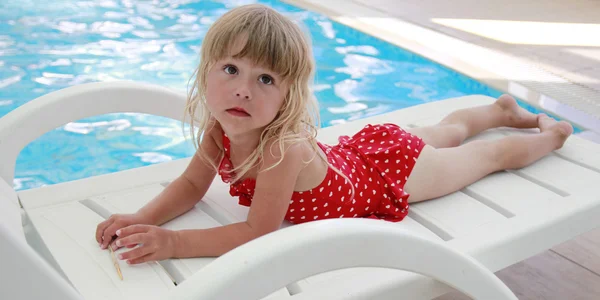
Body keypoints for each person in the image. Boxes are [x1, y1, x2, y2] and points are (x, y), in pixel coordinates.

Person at [95, 3, 573, 265]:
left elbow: (255, 232)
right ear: (205, 73)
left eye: (266, 80)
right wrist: (142, 216)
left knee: (481, 159)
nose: (243, 91)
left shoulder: (281, 149)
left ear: (288, 97)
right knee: (445, 131)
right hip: (365, 151)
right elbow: (190, 186)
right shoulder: (221, 130)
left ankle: (548, 135)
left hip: (395, 175)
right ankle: (497, 109)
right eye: (231, 69)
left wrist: (174, 243)